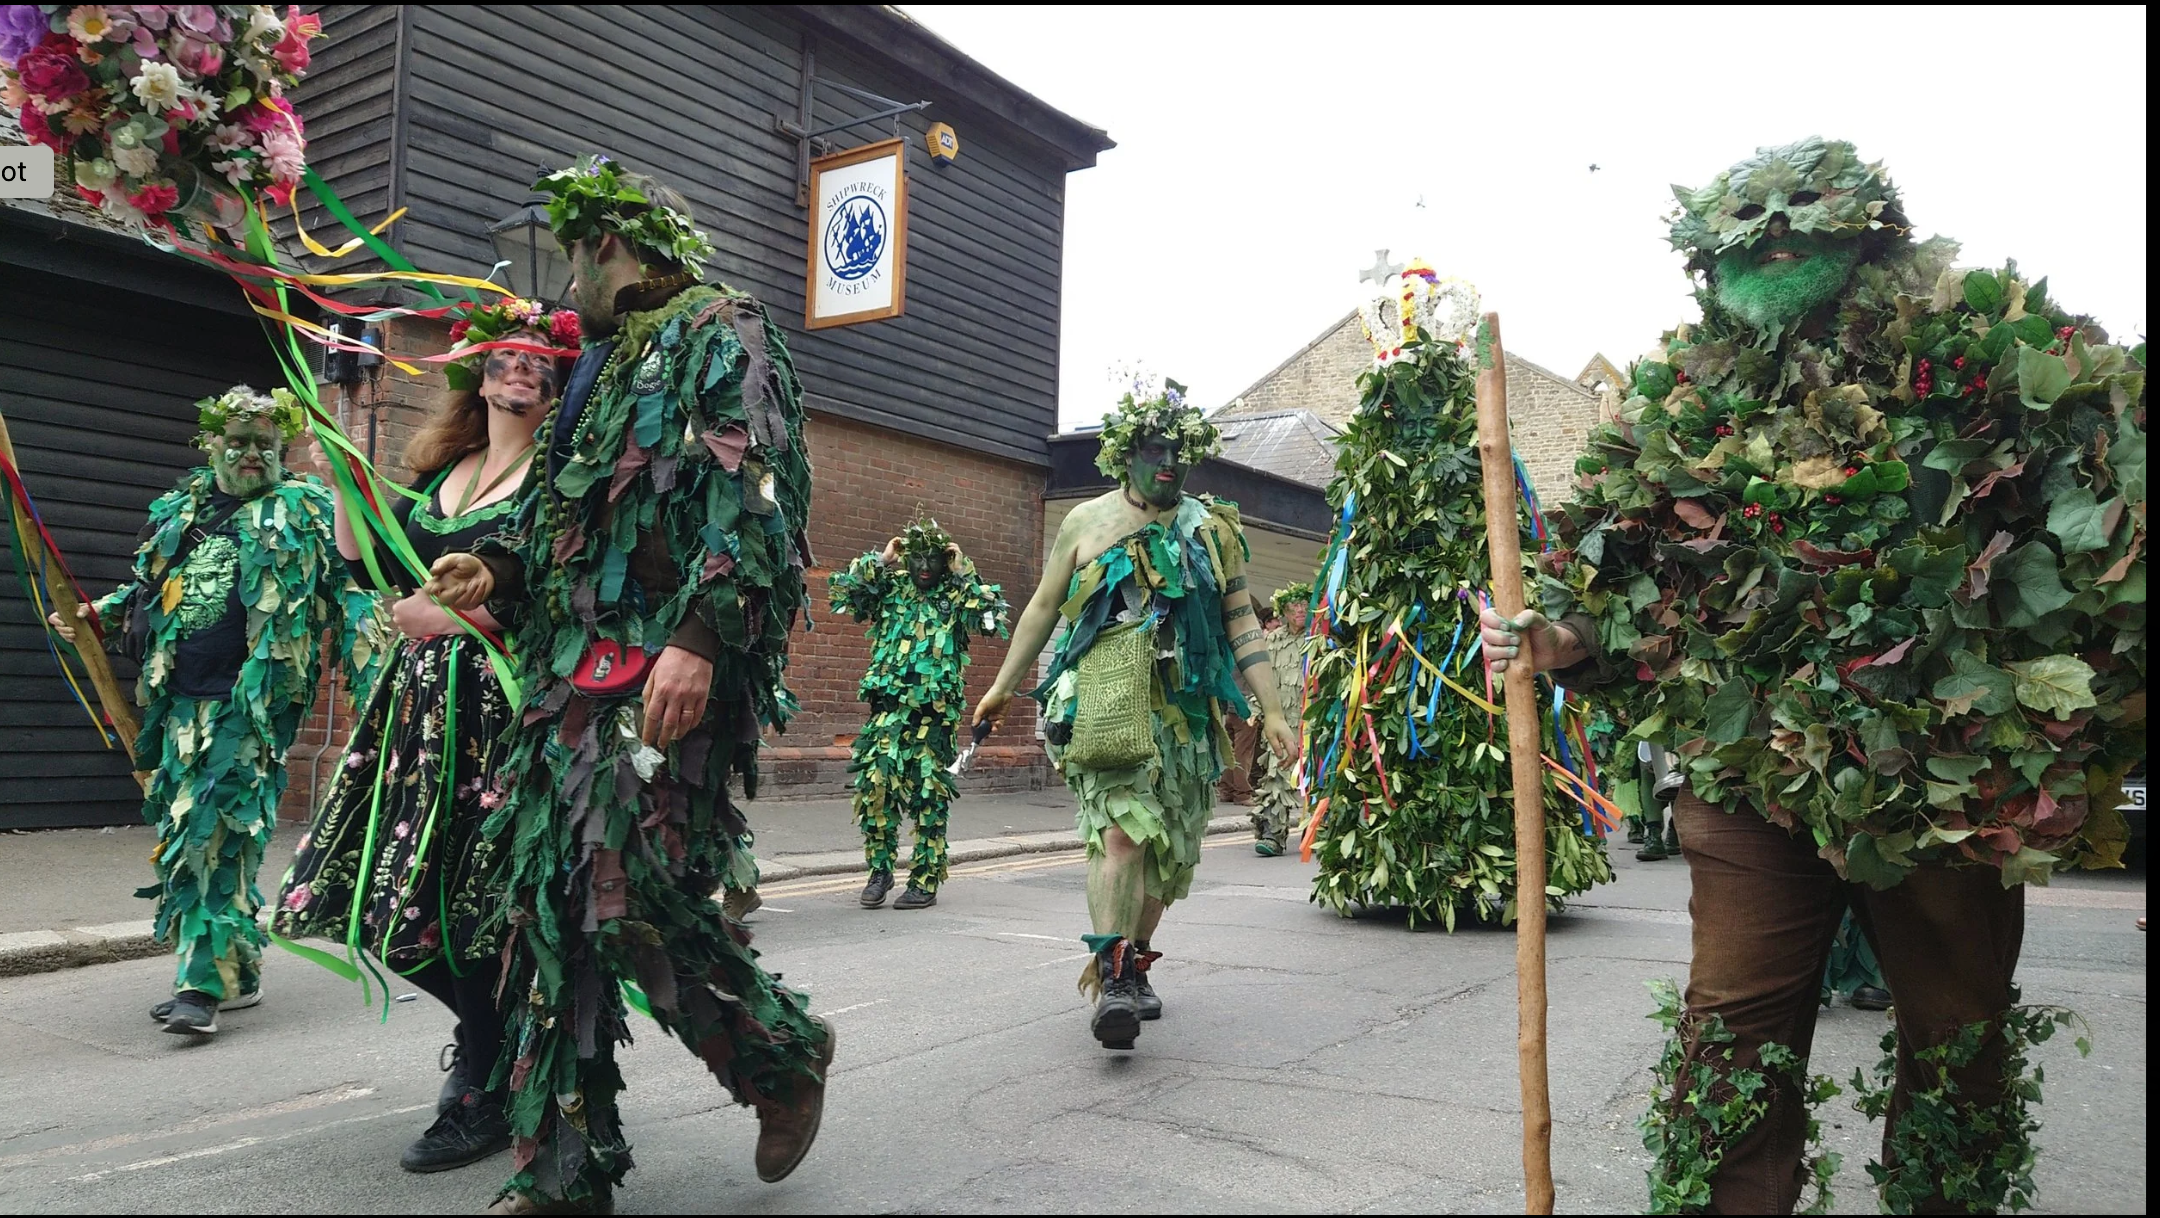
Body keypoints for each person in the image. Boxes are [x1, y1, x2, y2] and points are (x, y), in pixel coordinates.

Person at [1484, 137, 2144, 1213]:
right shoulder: (1679, 405)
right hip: (1751, 778)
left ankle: (1948, 1198)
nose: (1776, 235)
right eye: (1752, 225)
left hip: (1948, 786)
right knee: (1732, 1026)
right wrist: (1558, 638)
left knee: (1957, 1024)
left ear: (1867, 232)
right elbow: (1622, 579)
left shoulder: (1976, 350)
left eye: (1804, 219)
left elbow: (2104, 501)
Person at [423, 156, 833, 1215]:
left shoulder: (720, 329)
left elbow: (757, 495)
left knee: (626, 893)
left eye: (571, 262)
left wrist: (700, 636)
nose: (566, 290)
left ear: (607, 242)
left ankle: (779, 1053)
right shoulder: (601, 368)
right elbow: (567, 522)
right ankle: (563, 1172)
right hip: (566, 682)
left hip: (666, 673)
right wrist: (497, 571)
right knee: (550, 915)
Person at [271, 297, 577, 1173]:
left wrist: (461, 624)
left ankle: (483, 1086)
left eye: (538, 362)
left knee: (470, 906)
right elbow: (366, 561)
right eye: (505, 358)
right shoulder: (448, 470)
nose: (520, 369)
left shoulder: (562, 479)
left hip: (501, 718)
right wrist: (338, 440)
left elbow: (571, 602)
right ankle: (492, 1042)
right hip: (411, 720)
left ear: (555, 384)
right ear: (474, 376)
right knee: (378, 901)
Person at [973, 380, 1297, 1050]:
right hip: (1104, 698)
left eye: (1178, 450)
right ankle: (1113, 976)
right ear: (1126, 456)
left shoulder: (1212, 530)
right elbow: (1042, 607)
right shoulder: (1085, 523)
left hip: (1186, 709)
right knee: (1121, 835)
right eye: (1155, 449)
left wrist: (1271, 708)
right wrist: (1003, 686)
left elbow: (1241, 622)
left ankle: (1138, 956)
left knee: (1167, 851)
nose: (1168, 462)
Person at [52, 386, 376, 1037]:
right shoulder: (187, 509)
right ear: (211, 444)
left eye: (266, 444)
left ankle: (200, 986)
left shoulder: (306, 512)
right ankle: (238, 973)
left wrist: (380, 679)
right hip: (177, 706)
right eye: (240, 442)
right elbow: (148, 588)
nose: (253, 454)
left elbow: (356, 591)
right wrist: (95, 617)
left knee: (213, 837)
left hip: (250, 710)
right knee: (185, 839)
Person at [829, 517, 1010, 910]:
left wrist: (963, 572)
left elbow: (992, 618)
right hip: (887, 712)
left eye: (934, 559)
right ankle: (880, 870)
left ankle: (925, 879)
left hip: (934, 719)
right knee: (875, 788)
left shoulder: (957, 597)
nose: (925, 567)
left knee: (929, 796)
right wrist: (883, 559)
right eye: (918, 559)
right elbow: (847, 594)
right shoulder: (892, 590)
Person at [1249, 586, 1310, 856]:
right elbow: (1263, 678)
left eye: (1304, 605)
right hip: (1281, 723)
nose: (1299, 610)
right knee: (1276, 776)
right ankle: (1273, 835)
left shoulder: (1320, 640)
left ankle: (1317, 829)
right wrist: (1254, 708)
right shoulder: (1272, 641)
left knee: (1318, 778)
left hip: (1313, 721)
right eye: (1294, 606)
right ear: (1283, 611)